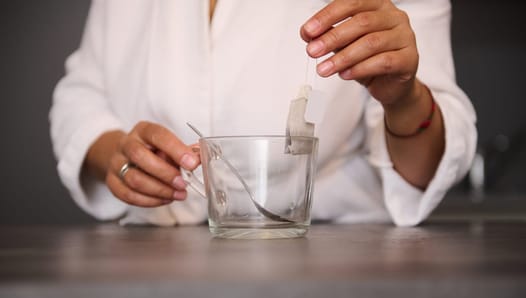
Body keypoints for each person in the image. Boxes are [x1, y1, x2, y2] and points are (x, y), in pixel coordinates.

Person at [50, 0, 476, 226]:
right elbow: (82, 92)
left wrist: (402, 98)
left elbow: (429, 165)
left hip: (330, 254)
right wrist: (120, 156)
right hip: (154, 257)